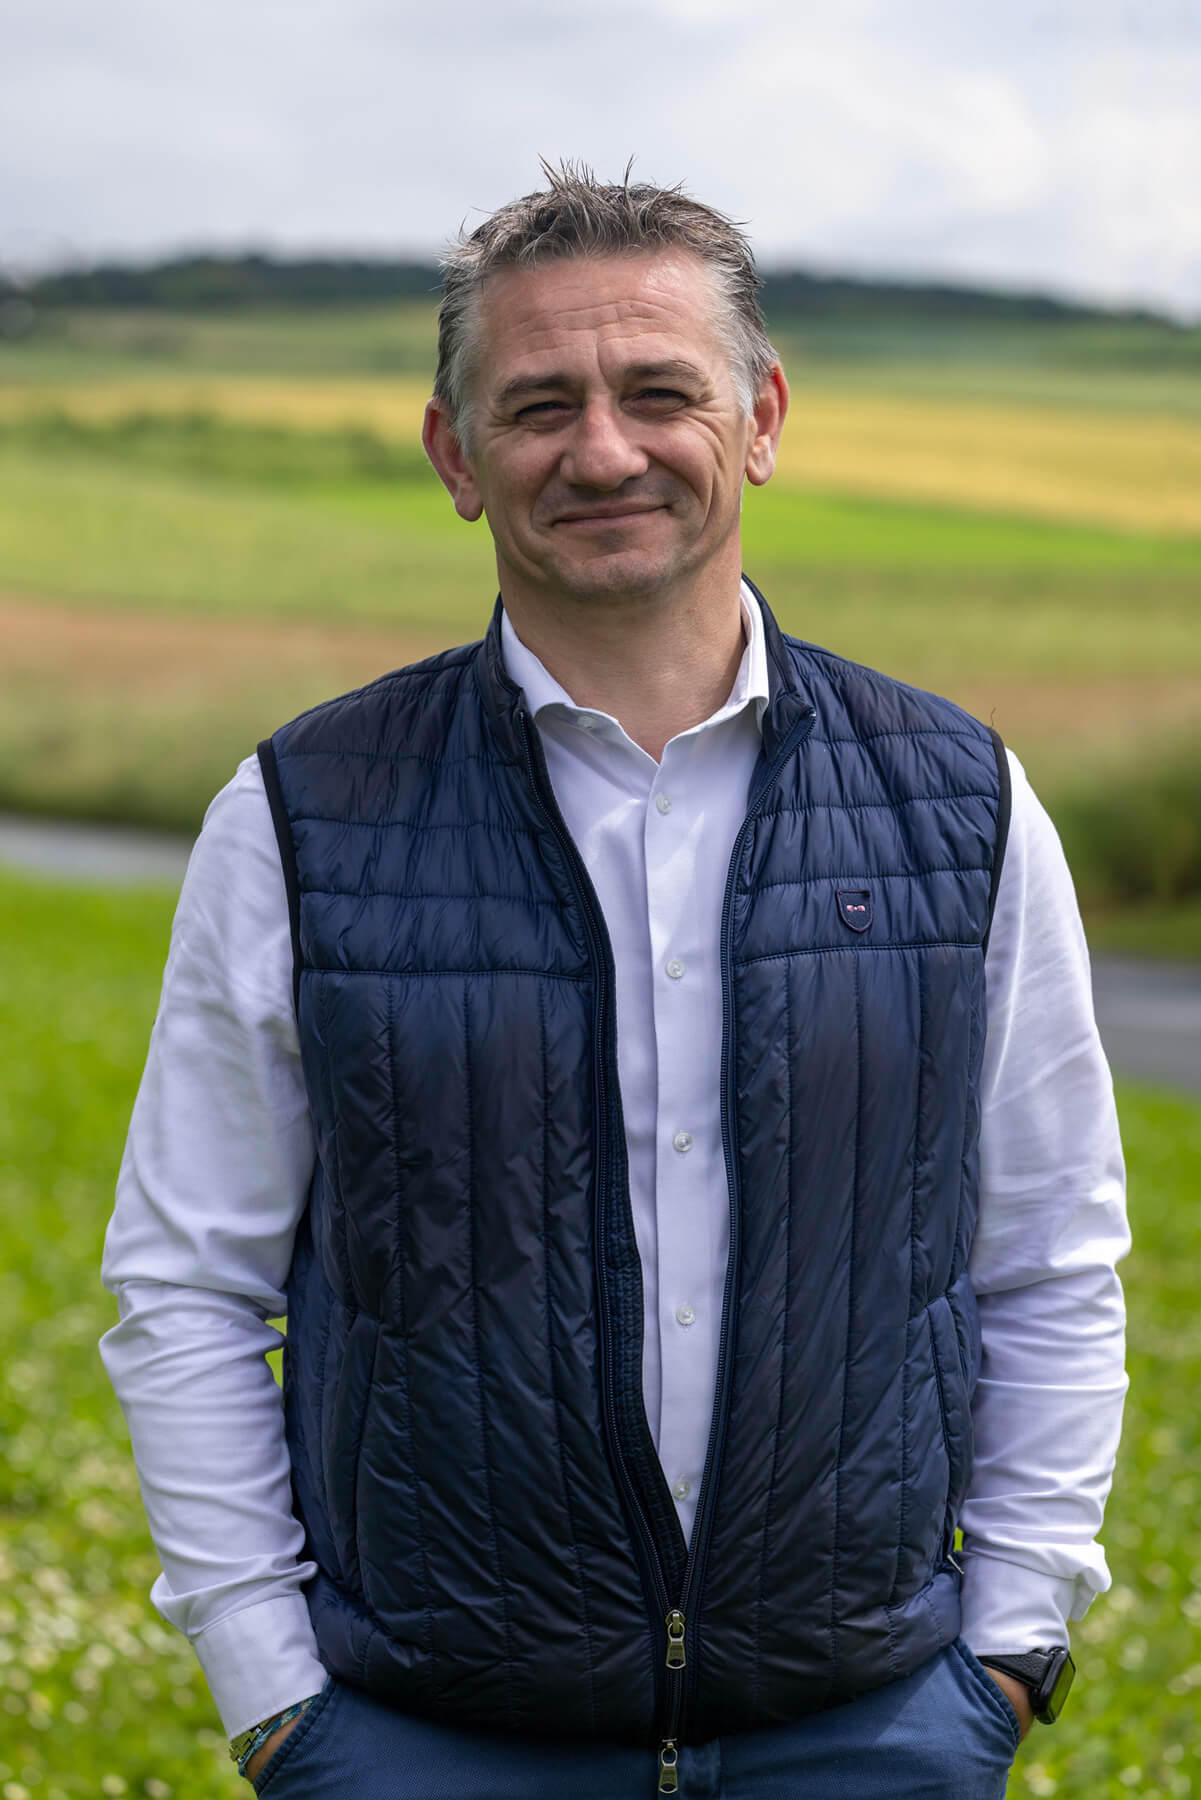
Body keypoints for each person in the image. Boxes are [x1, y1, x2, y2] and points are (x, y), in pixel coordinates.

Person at [100, 165, 1129, 1799]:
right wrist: (276, 1697)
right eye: (537, 405)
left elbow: (1050, 1249)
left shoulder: (963, 801)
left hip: (866, 1737)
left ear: (762, 416)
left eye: (660, 392)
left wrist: (1006, 1650)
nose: (603, 451)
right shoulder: (301, 814)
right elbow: (188, 1283)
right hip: (428, 1746)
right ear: (454, 453)